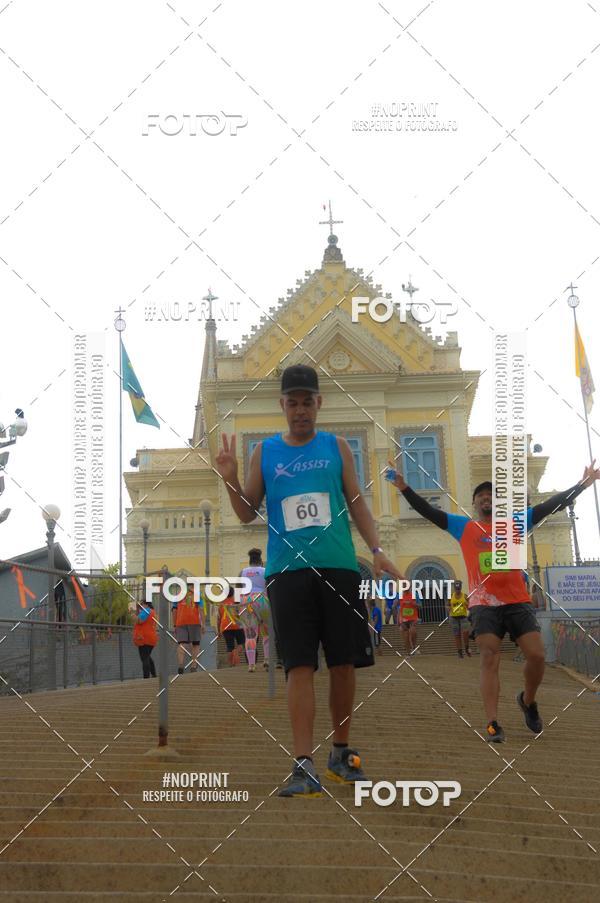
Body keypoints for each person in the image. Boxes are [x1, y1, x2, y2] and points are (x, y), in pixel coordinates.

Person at [215, 364, 401, 797]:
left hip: (337, 566)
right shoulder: (265, 452)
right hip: (287, 573)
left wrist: (375, 550)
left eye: (307, 401)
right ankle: (303, 764)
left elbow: (355, 502)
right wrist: (228, 480)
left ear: (319, 403)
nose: (300, 410)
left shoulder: (337, 447)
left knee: (343, 663)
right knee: (298, 666)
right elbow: (246, 512)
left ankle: (340, 752)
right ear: (282, 405)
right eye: (292, 402)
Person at [388, 460, 600, 742]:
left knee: (536, 655)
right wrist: (404, 487)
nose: (486, 498)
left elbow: (550, 505)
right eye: (481, 496)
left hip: (517, 601)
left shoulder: (515, 523)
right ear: (475, 504)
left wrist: (582, 486)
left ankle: (528, 700)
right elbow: (429, 512)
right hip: (483, 603)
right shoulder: (463, 527)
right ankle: (492, 722)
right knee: (489, 656)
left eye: (491, 496)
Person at [238, 548, 270, 672]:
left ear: (249, 560)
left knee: (250, 635)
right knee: (267, 633)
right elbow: (269, 587)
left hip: (247, 602)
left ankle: (251, 665)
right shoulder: (265, 571)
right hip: (263, 600)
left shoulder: (242, 572)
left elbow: (238, 590)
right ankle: (266, 659)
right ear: (260, 560)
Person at [172, 585, 204, 675]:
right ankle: (193, 665)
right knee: (196, 644)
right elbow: (201, 609)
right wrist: (203, 624)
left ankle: (181, 665)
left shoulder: (178, 595)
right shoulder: (197, 595)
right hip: (194, 621)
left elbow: (174, 610)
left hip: (180, 622)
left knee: (182, 644)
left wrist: (175, 624)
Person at [219, 586, 247, 666]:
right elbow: (242, 613)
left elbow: (219, 618)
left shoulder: (221, 603)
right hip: (237, 625)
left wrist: (219, 631)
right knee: (242, 643)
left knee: (229, 647)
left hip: (225, 626)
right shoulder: (237, 601)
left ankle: (230, 665)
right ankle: (236, 652)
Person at [133, 601, 157, 678]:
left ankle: (146, 677)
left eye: (141, 604)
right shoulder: (152, 612)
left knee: (144, 658)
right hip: (151, 638)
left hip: (144, 638)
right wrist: (137, 610)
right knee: (147, 656)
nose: (140, 606)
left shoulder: (146, 611)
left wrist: (132, 614)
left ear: (146, 604)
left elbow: (139, 620)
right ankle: (153, 674)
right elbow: (141, 617)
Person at [448, 580, 471, 658]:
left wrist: (467, 605)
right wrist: (448, 608)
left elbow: (469, 606)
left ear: (460, 588)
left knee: (465, 633)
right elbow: (447, 605)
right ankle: (460, 652)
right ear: (454, 588)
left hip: (463, 617)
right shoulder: (451, 596)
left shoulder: (465, 596)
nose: (458, 590)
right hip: (454, 618)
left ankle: (467, 648)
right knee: (457, 635)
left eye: (459, 588)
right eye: (456, 588)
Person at [398, 590, 419, 654]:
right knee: (405, 635)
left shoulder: (415, 594)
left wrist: (414, 604)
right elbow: (398, 607)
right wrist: (399, 620)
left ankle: (414, 647)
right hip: (403, 619)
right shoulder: (399, 595)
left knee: (413, 631)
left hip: (413, 618)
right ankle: (408, 652)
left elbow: (420, 606)